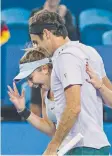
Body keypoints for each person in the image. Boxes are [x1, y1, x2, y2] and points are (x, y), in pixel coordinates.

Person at [29, 10, 111, 155]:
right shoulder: (90, 52)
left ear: (47, 34)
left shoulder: (65, 57)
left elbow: (73, 107)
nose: (36, 48)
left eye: (36, 42)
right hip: (98, 146)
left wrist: (54, 144)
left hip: (81, 149)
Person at [8, 47, 57, 136]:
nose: (30, 85)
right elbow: (51, 130)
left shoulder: (66, 85)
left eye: (30, 78)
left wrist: (55, 144)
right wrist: (23, 110)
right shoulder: (44, 91)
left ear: (45, 69)